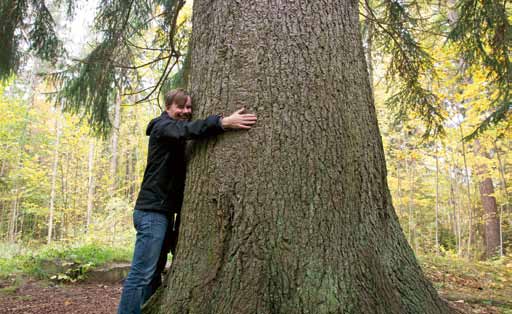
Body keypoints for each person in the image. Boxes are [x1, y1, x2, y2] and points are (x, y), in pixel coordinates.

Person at [117, 89, 257, 314]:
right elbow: (186, 130)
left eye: (189, 107)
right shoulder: (162, 127)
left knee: (153, 273)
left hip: (161, 213)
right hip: (151, 213)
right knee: (142, 273)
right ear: (167, 108)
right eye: (180, 107)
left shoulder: (173, 133)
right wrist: (222, 122)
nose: (185, 112)